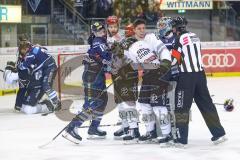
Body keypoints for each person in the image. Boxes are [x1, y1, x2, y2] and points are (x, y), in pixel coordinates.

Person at [172, 16, 226, 147]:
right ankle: (219, 133)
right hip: (200, 76)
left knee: (181, 108)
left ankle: (181, 139)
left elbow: (175, 60)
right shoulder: (195, 36)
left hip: (186, 78)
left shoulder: (179, 39)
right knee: (207, 104)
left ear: (175, 28)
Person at [118, 19, 172, 142]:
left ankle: (167, 134)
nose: (142, 31)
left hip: (158, 71)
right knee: (143, 103)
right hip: (147, 75)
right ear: (134, 31)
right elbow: (131, 63)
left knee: (158, 105)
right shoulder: (130, 45)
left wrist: (165, 63)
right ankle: (150, 132)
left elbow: (163, 50)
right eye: (139, 29)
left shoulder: (151, 37)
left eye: (144, 28)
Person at [63, 22, 111, 143]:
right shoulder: (98, 41)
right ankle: (73, 127)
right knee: (92, 104)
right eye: (98, 30)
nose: (101, 32)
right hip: (92, 77)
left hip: (98, 76)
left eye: (102, 30)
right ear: (94, 32)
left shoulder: (101, 41)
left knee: (102, 101)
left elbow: (105, 61)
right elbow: (108, 56)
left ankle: (94, 128)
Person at [3, 35, 60, 114]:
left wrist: (15, 69)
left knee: (46, 85)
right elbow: (44, 50)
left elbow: (23, 66)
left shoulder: (30, 54)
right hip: (45, 66)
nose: (22, 52)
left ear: (26, 48)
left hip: (50, 67)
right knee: (41, 84)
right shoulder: (32, 47)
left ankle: (57, 103)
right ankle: (45, 103)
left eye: (22, 50)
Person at [109, 21, 140, 140]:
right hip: (118, 77)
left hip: (128, 77)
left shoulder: (136, 43)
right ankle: (125, 126)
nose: (127, 33)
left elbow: (131, 60)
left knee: (128, 103)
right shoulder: (122, 41)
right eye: (126, 31)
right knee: (121, 104)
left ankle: (134, 129)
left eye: (129, 30)